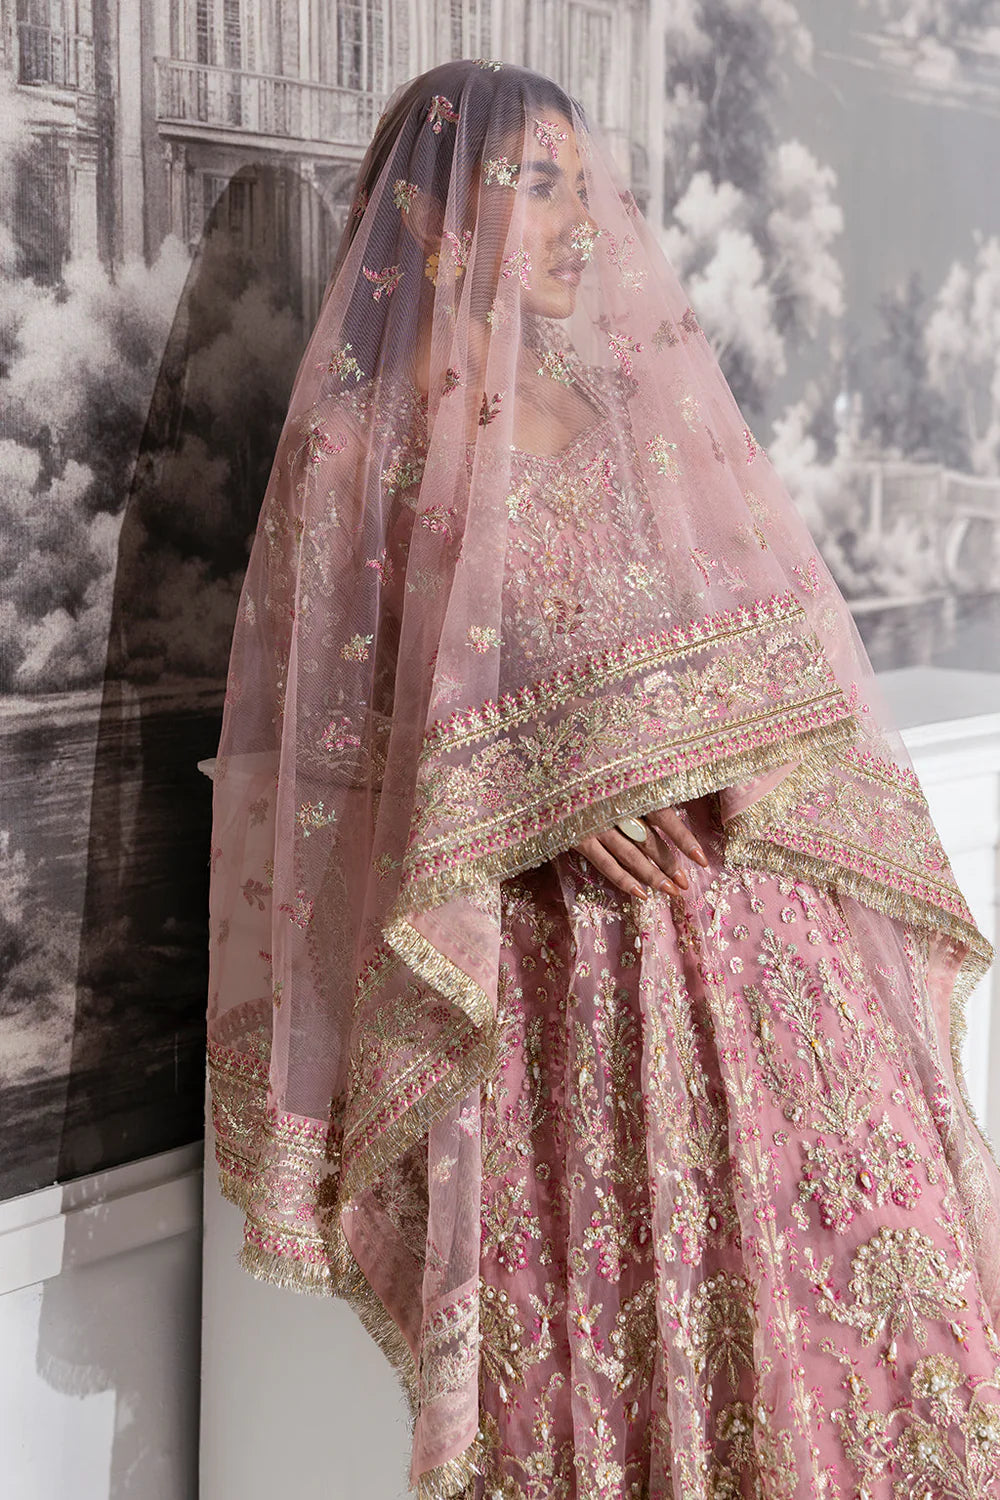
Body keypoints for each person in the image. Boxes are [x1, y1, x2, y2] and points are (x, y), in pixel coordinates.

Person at [205, 58, 1000, 1499]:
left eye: (585, 186)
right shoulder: (358, 452)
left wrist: (701, 757)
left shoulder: (621, 414)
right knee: (620, 1355)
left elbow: (754, 643)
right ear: (436, 222)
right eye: (542, 187)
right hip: (553, 966)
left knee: (881, 1285)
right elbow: (337, 747)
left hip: (750, 946)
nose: (584, 223)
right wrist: (557, 784)